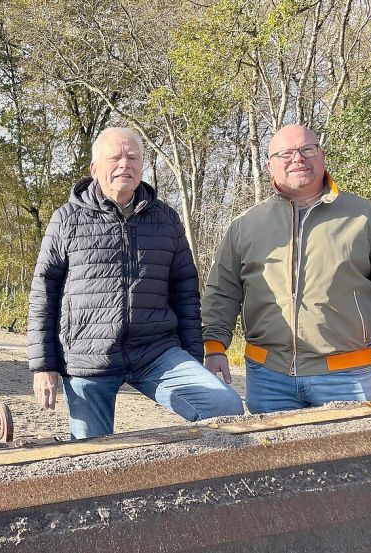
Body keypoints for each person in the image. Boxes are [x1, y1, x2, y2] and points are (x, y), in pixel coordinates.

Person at [28, 127, 244, 439]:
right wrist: (43, 366)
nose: (124, 165)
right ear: (94, 168)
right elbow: (43, 294)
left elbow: (185, 292)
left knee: (224, 407)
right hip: (89, 357)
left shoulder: (166, 219)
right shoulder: (66, 220)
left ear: (142, 166)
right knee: (91, 454)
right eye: (115, 158)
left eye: (132, 158)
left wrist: (193, 357)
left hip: (156, 351)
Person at [202, 124, 371, 413]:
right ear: (269, 165)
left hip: (348, 376)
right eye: (285, 153)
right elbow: (222, 292)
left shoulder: (365, 218)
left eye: (307, 149)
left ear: (321, 156)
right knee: (275, 445)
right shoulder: (245, 225)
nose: (298, 158)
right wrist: (214, 346)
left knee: (361, 445)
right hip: (268, 378)